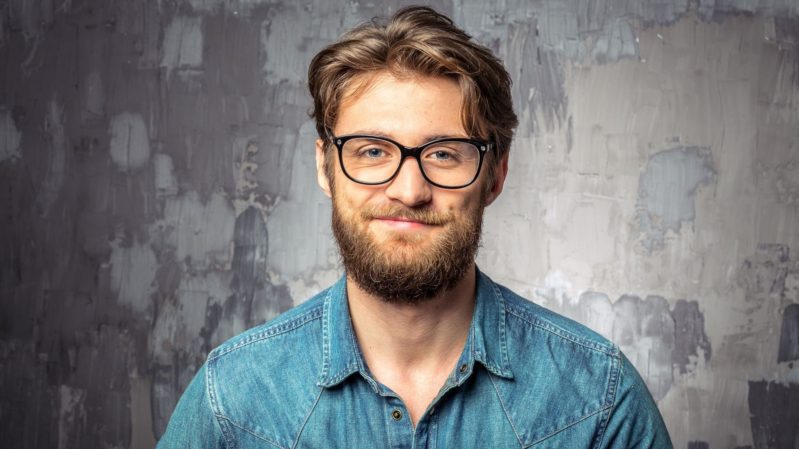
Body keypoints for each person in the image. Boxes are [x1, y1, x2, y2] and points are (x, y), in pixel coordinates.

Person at [157, 6, 673, 448]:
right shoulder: (235, 399)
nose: (409, 190)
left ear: (495, 175)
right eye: (373, 151)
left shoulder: (598, 401)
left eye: (444, 153)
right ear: (325, 167)